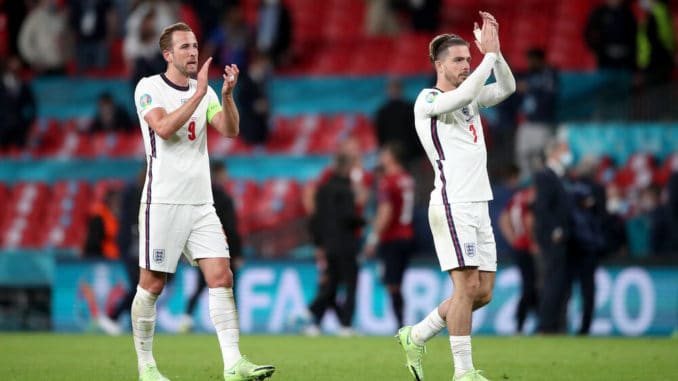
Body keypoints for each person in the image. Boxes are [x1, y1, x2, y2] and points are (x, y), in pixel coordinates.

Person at [131, 22, 274, 381]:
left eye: (195, 45)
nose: (193, 52)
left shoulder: (205, 92)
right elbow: (162, 129)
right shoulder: (148, 88)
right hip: (163, 202)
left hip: (200, 203)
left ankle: (233, 364)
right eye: (184, 47)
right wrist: (197, 95)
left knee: (221, 275)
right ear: (168, 55)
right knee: (152, 285)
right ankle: (145, 366)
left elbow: (229, 129)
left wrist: (224, 95)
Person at [397, 12, 515, 381]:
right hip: (452, 203)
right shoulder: (427, 100)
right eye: (459, 60)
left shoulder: (470, 98)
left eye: (469, 58)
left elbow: (507, 88)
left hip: (479, 203)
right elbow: (465, 93)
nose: (467, 65)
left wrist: (497, 54)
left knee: (483, 293)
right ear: (438, 64)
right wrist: (489, 59)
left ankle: (416, 335)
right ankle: (462, 373)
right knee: (465, 288)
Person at [305, 153, 365, 336]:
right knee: (350, 285)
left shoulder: (322, 190)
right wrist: (363, 222)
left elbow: (315, 219)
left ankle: (315, 320)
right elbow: (348, 217)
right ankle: (344, 325)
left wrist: (318, 243)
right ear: (346, 169)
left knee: (330, 284)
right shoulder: (346, 191)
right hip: (346, 244)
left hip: (328, 245)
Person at [179, 161, 243, 333]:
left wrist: (187, 248)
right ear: (219, 174)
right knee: (227, 286)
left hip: (202, 247)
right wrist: (237, 253)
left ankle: (186, 318)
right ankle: (229, 324)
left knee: (201, 285)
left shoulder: (199, 196)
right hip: (222, 249)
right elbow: (230, 227)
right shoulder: (224, 197)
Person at [364, 143, 415, 329]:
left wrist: (372, 239)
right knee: (397, 283)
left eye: (384, 154)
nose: (380, 157)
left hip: (392, 237)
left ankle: (400, 325)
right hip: (407, 235)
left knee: (392, 284)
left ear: (392, 157)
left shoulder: (388, 181)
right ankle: (401, 323)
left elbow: (386, 211)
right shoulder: (407, 179)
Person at [533, 139, 572, 334]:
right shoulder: (545, 176)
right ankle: (546, 325)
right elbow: (542, 208)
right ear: (554, 152)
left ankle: (556, 324)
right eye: (565, 150)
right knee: (551, 282)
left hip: (561, 237)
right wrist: (554, 230)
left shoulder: (559, 175)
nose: (568, 154)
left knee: (558, 283)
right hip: (552, 238)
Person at [514, 48, 559, 180]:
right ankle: (525, 183)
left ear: (540, 60)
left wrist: (531, 88)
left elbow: (550, 97)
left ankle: (542, 182)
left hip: (542, 123)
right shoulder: (527, 75)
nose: (529, 63)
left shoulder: (549, 75)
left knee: (540, 156)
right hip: (527, 123)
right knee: (521, 155)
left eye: (532, 60)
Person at [498, 185, 537, 334]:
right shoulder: (531, 196)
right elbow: (529, 220)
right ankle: (537, 323)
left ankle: (521, 324)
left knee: (528, 285)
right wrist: (533, 242)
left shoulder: (516, 197)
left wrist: (513, 240)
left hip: (519, 247)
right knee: (534, 286)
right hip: (529, 248)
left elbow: (503, 219)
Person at [374, 78, 421, 168]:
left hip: (395, 154)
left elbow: (380, 135)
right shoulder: (411, 108)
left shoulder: (383, 111)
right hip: (410, 153)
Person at [0, 56, 37, 151]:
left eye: (18, 64)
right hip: (3, 127)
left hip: (19, 128)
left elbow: (32, 106)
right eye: (13, 63)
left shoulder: (23, 85)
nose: (16, 66)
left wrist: (27, 122)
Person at [83, 188, 121, 260]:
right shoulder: (98, 220)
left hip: (120, 259)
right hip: (103, 259)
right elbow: (92, 245)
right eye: (115, 201)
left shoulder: (125, 218)